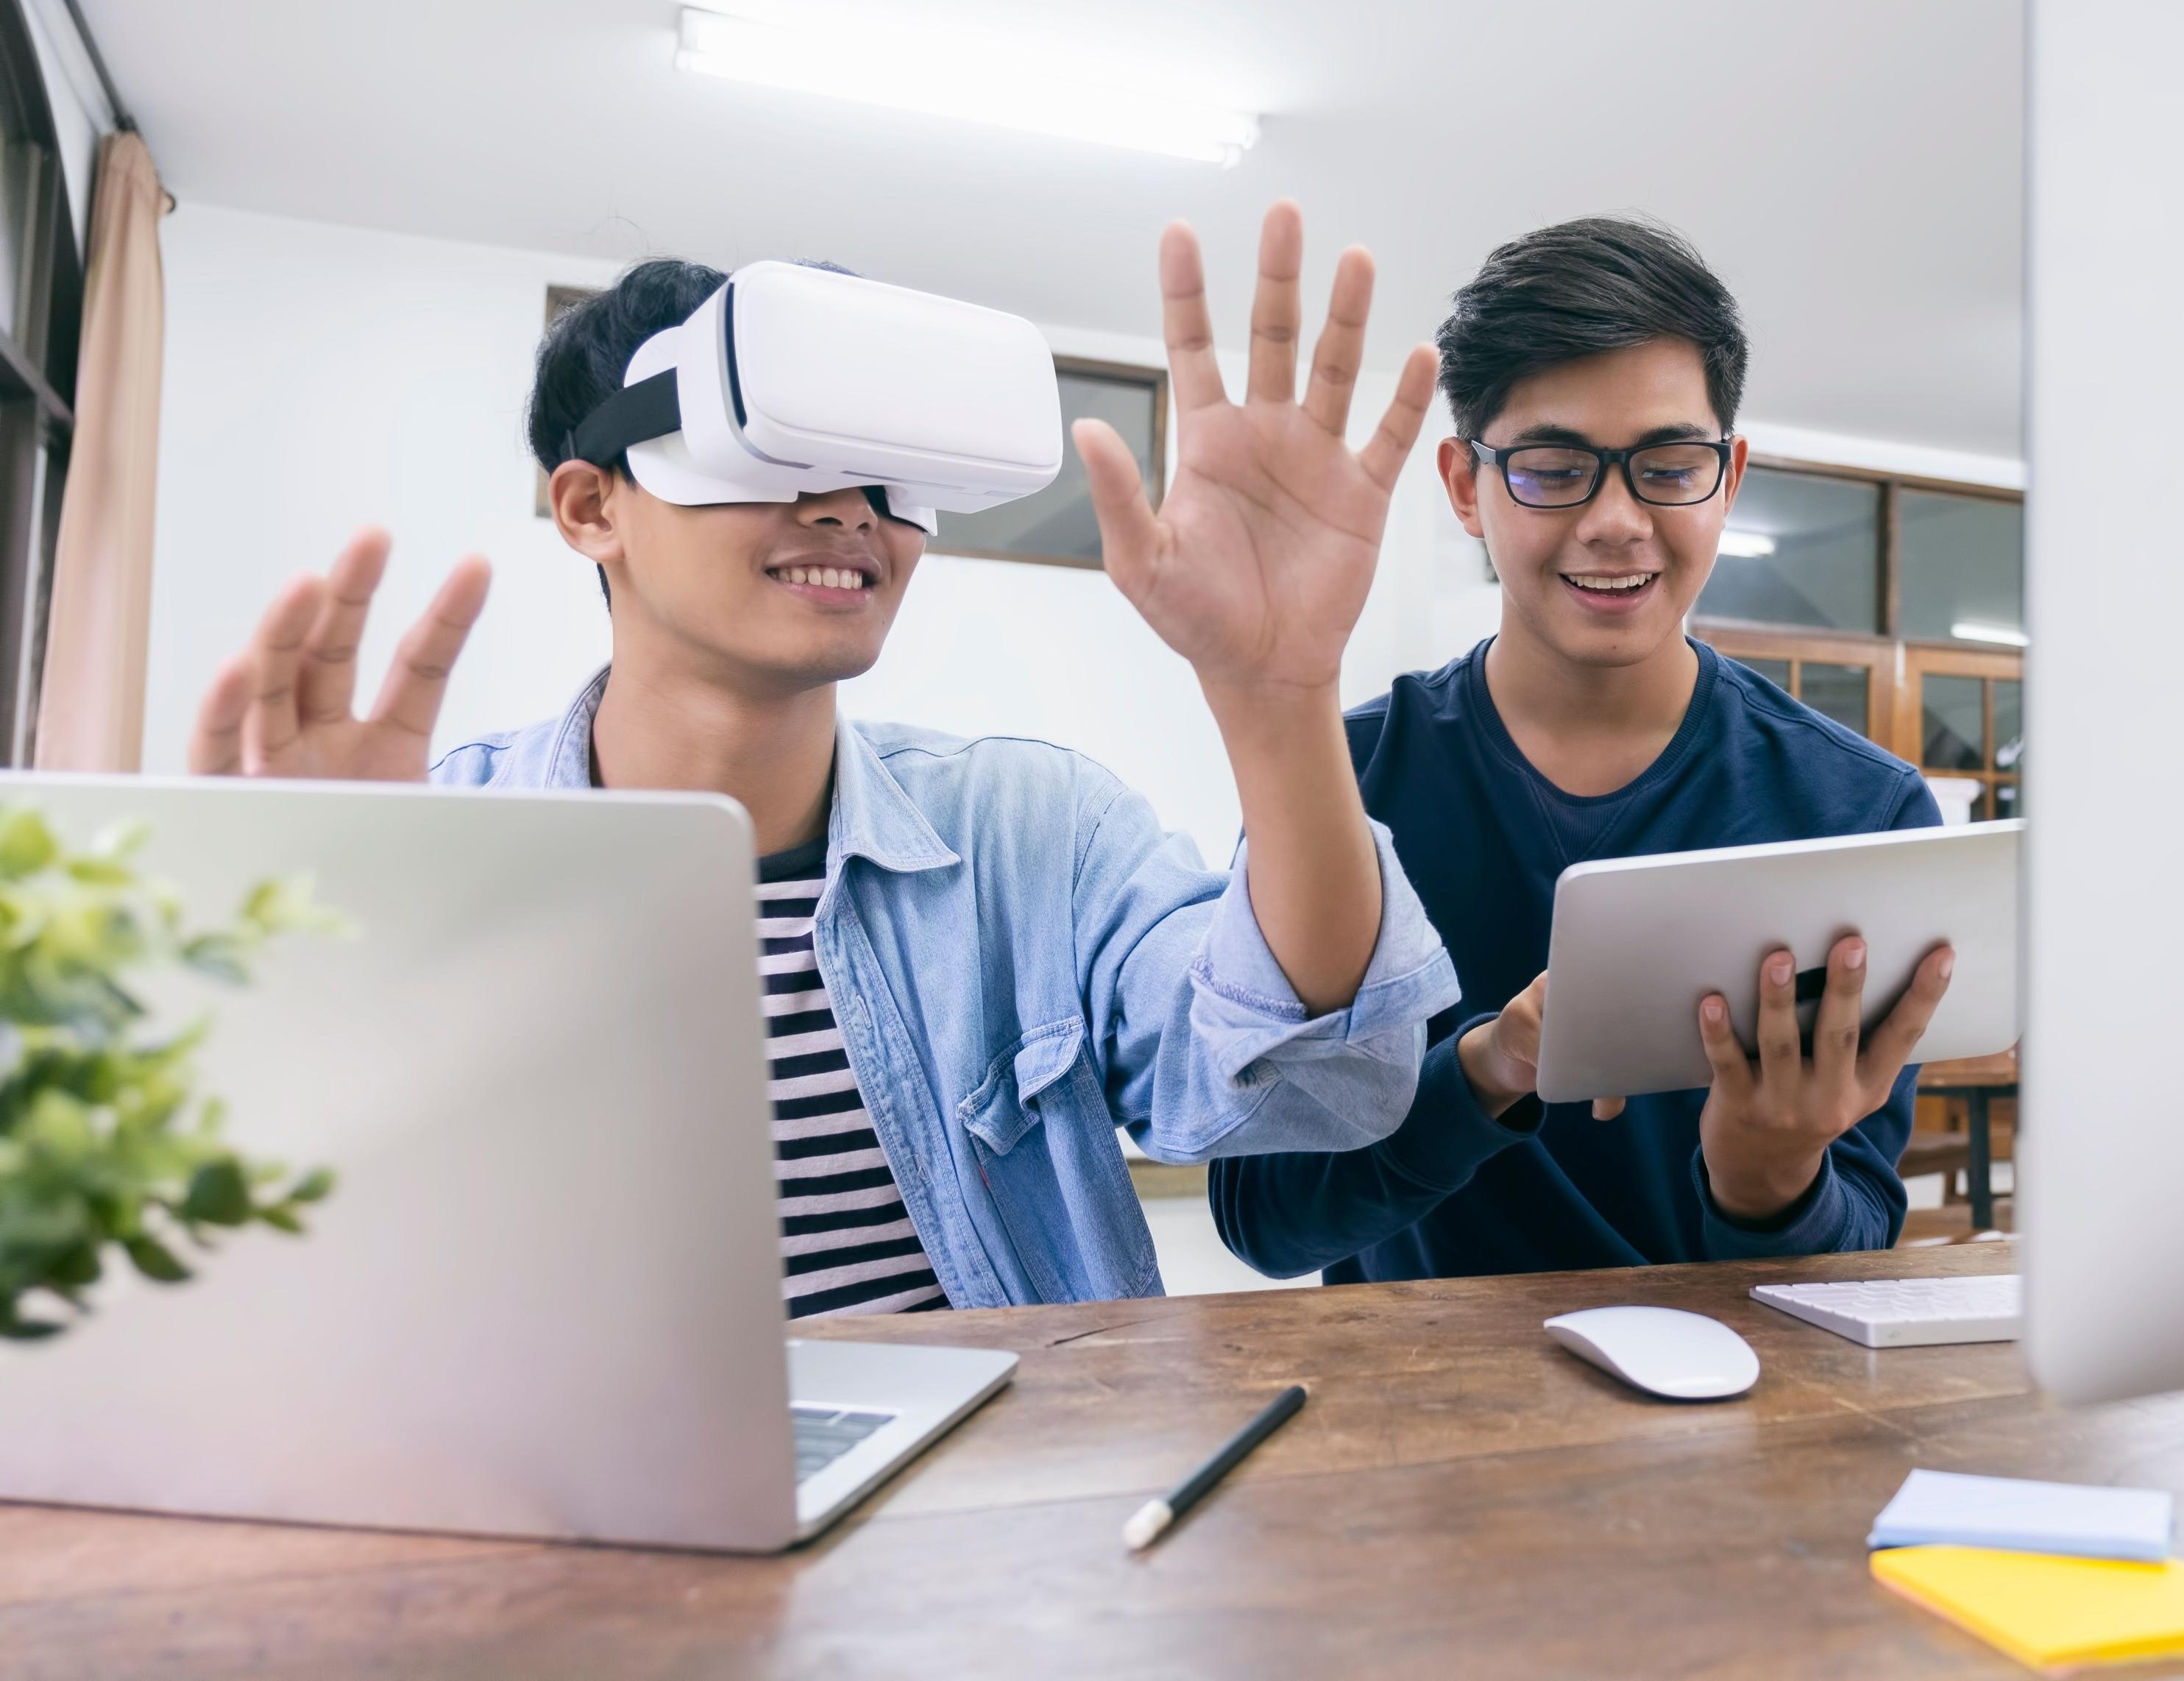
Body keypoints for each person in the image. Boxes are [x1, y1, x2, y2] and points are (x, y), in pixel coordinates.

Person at [188, 205, 1459, 1310]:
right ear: (591, 508)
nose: (848, 510)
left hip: (995, 1521)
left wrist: (1277, 696)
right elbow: (244, 1261)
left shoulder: (1035, 834)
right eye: (770, 452)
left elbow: (1321, 1094)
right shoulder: (434, 845)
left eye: (887, 474)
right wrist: (293, 978)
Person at [1209, 216, 1952, 1284]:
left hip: (1740, 1412)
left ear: (1728, 478)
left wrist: (1767, 1173)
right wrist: (1485, 1068)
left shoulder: (1859, 814)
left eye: (1668, 465)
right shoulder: (1344, 781)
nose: (1615, 520)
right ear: (1467, 485)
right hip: (1417, 1416)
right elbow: (1265, 1222)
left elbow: (1853, 1262)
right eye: (1555, 468)